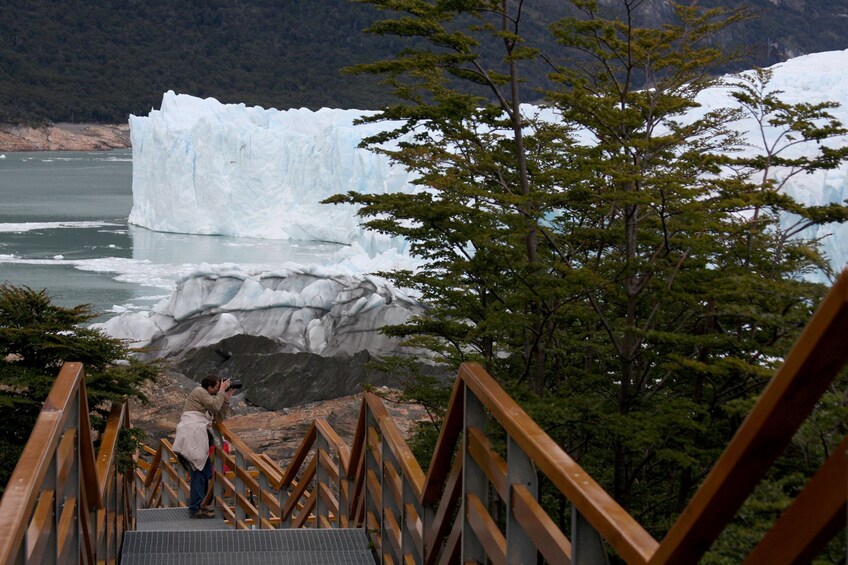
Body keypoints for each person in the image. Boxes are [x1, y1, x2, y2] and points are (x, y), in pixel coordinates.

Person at [172, 376, 235, 519]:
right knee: (198, 474)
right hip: (191, 438)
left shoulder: (210, 398)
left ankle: (202, 505)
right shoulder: (199, 391)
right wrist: (222, 392)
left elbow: (219, 417)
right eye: (218, 386)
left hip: (196, 439)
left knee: (205, 472)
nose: (220, 389)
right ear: (210, 387)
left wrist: (227, 397)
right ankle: (195, 509)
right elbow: (214, 406)